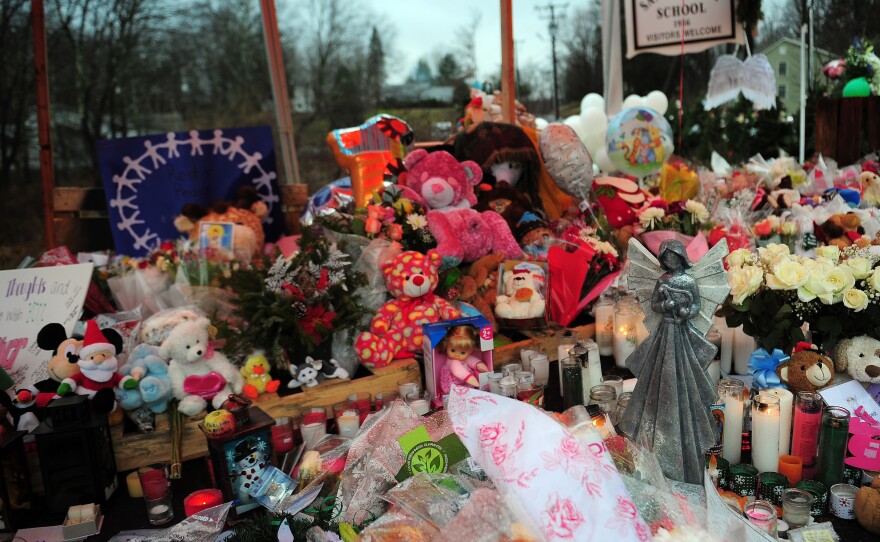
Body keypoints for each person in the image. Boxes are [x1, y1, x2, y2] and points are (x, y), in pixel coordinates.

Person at [619, 239, 719, 484]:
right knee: (657, 376)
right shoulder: (662, 281)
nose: (669, 262)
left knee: (684, 376)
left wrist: (686, 311)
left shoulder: (689, 281)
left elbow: (695, 304)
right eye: (665, 258)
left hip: (682, 334)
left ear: (681, 257)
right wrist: (665, 304)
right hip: (665, 333)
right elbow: (654, 304)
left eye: (673, 257)